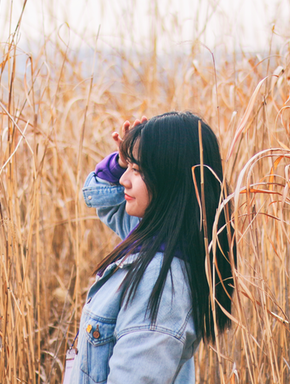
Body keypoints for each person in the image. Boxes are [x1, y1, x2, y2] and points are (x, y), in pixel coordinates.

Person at [64, 111, 235, 384]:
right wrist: (124, 160)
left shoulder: (162, 281)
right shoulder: (158, 238)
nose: (123, 179)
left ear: (170, 180)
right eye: (128, 167)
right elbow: (102, 199)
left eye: (138, 170)